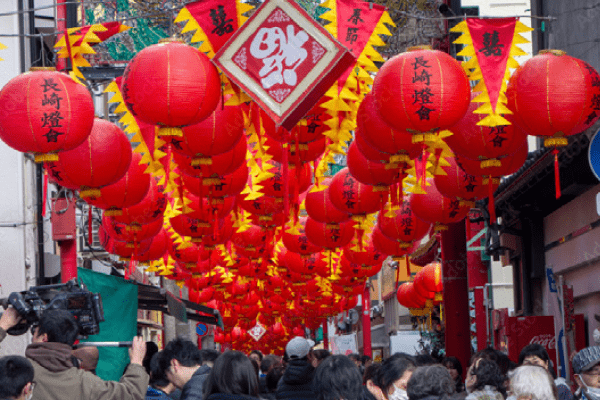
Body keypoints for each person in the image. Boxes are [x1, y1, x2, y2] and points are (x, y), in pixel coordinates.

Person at [0, 308, 149, 400]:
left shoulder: (14, 373)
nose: (32, 337)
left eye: (35, 332)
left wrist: (3, 325)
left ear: (44, 338)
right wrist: (136, 362)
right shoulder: (85, 383)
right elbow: (131, 394)